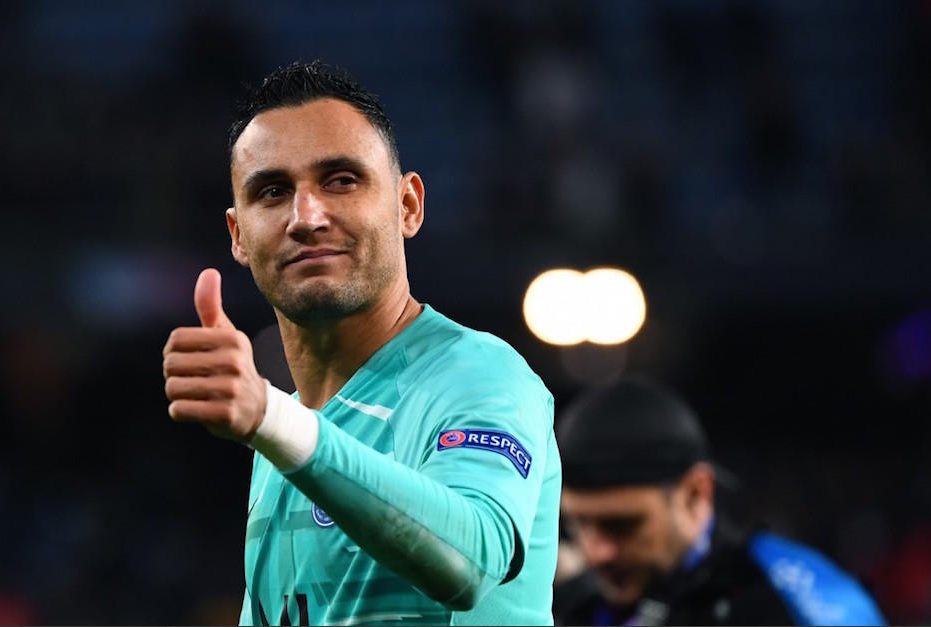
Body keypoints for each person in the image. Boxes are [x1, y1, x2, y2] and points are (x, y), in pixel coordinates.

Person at [161, 61, 561, 626]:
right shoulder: (285, 438)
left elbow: (471, 562)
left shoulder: (479, 376)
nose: (306, 216)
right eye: (272, 191)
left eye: (341, 180)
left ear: (408, 206)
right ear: (238, 236)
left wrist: (271, 418)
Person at [553, 377, 885, 626]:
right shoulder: (573, 602)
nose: (596, 552)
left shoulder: (789, 598)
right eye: (578, 523)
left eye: (622, 525)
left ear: (695, 494)